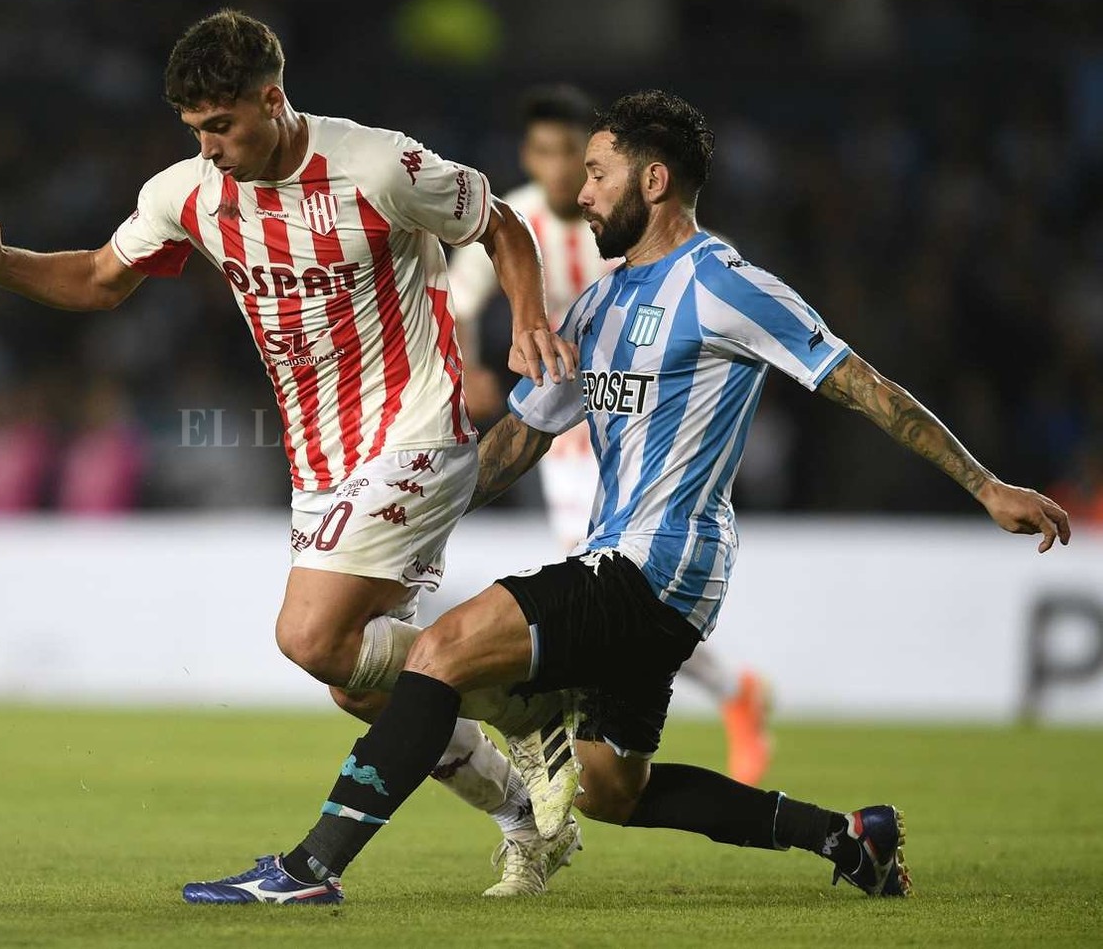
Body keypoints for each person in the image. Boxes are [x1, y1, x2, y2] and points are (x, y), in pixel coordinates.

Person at [184, 89, 1071, 905]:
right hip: (646, 578)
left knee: (441, 653)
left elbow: (865, 386)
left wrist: (985, 484)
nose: (582, 192)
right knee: (613, 788)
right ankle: (847, 838)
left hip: (655, 562)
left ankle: (310, 869)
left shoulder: (726, 285)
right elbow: (517, 440)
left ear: (655, 179)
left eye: (599, 174)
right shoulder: (599, 304)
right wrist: (407, 516)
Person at [0, 9, 583, 896]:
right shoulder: (188, 192)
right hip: (320, 460)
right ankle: (523, 814)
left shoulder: (378, 164)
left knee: (307, 632)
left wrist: (529, 322)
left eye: (222, 125)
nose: (209, 147)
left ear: (272, 100)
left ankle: (520, 695)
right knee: (354, 680)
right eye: (194, 129)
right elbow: (97, 278)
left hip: (417, 425)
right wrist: (1, 260)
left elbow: (504, 226)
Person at [450, 85, 773, 786]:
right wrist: (473, 366)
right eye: (543, 152)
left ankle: (710, 697)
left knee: (614, 589)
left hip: (643, 422)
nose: (562, 171)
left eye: (576, 156)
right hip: (563, 426)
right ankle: (720, 693)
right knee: (599, 582)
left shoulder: (631, 223)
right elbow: (458, 300)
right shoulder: (519, 223)